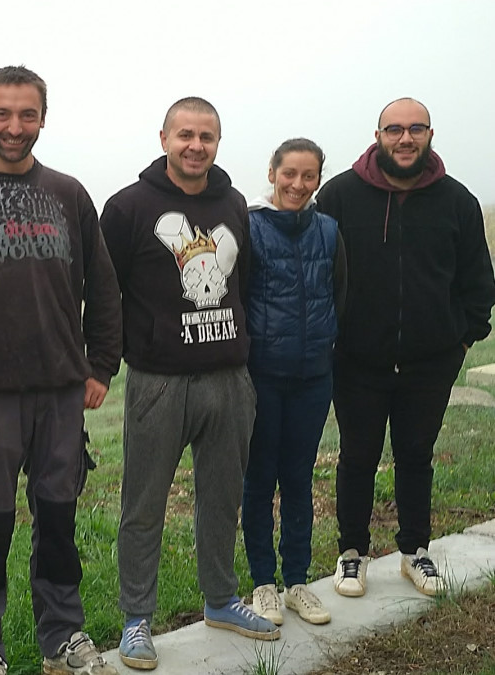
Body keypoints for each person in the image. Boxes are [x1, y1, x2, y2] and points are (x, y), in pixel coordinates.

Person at [0, 65, 122, 675]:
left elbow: (104, 287)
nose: (15, 126)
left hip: (61, 392)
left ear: (42, 119)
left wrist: (101, 364)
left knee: (58, 522)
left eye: (27, 114)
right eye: (2, 113)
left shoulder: (68, 193)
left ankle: (62, 635)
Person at [101, 96, 280, 671]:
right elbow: (106, 293)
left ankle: (222, 600)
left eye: (206, 136)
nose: (195, 145)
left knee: (222, 497)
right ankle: (136, 619)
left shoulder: (233, 204)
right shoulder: (128, 207)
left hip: (228, 377)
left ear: (218, 143)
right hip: (158, 380)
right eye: (185, 134)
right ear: (164, 138)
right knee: (144, 502)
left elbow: (242, 282)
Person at [316, 98, 495, 598]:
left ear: (430, 134)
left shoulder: (456, 200)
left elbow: (479, 282)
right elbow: (315, 270)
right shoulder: (340, 196)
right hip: (355, 360)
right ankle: (352, 553)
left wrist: (460, 339)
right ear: (378, 135)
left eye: (416, 129)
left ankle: (416, 551)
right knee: (357, 457)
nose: (405, 138)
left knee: (416, 455)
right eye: (394, 129)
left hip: (429, 363)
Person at [242, 138, 346, 627]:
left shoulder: (328, 230)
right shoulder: (251, 226)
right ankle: (264, 583)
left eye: (309, 177)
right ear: (273, 172)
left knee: (299, 479)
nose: (298, 185)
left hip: (312, 378)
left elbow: (338, 292)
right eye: (290, 174)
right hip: (263, 375)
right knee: (260, 480)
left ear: (318, 179)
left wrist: (325, 346)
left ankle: (298, 580)